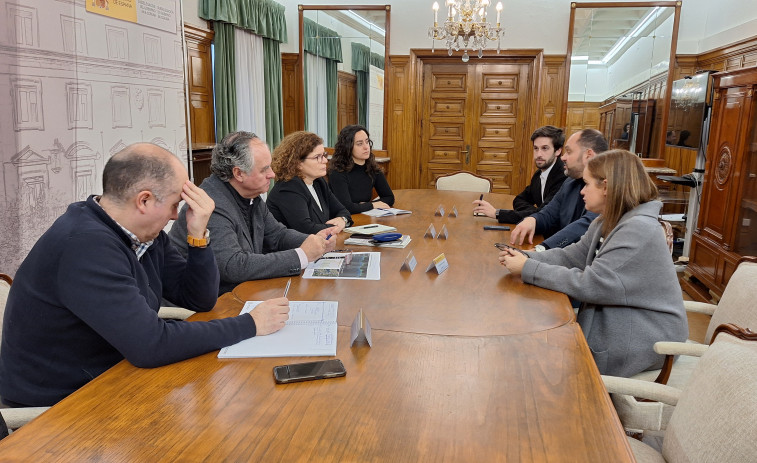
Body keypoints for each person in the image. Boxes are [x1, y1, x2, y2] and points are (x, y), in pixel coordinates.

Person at [0, 143, 290, 407]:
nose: (177, 215)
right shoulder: (86, 245)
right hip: (62, 403)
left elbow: (199, 299)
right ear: (145, 201)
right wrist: (250, 324)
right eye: (175, 204)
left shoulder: (141, 235)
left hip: (113, 374)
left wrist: (199, 235)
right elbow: (151, 345)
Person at [499, 150, 688, 377]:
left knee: (544, 360)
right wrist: (526, 256)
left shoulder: (638, 229)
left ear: (606, 187)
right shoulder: (608, 219)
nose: (582, 191)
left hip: (645, 338)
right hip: (619, 320)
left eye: (587, 184)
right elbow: (572, 256)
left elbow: (592, 285)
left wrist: (528, 268)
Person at [168, 132, 335, 295]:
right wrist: (302, 255)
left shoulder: (250, 195)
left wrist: (314, 241)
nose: (272, 174)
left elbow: (277, 235)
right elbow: (233, 266)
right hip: (213, 302)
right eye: (264, 170)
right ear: (239, 173)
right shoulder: (212, 204)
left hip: (242, 291)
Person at [510, 128, 609, 250]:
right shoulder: (570, 181)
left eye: (568, 152)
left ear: (588, 155)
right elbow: (549, 213)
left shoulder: (607, 187)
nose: (563, 157)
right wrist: (533, 220)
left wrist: (541, 249)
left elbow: (586, 227)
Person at [473, 126, 567, 223]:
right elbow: (519, 200)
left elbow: (543, 215)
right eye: (536, 148)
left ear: (558, 151)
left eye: (545, 148)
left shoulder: (563, 177)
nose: (539, 154)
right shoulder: (539, 174)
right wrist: (535, 212)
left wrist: (496, 213)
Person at [267, 131, 353, 234]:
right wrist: (337, 225)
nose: (325, 160)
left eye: (324, 155)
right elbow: (307, 229)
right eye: (317, 157)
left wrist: (342, 220)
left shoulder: (319, 182)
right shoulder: (288, 188)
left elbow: (343, 211)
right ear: (298, 163)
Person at [328, 125, 395, 214]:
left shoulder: (372, 167)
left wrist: (366, 205)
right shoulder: (338, 172)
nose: (366, 147)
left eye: (367, 142)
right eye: (359, 144)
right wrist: (372, 205)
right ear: (348, 147)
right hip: (344, 221)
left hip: (365, 218)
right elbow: (346, 207)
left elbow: (389, 197)